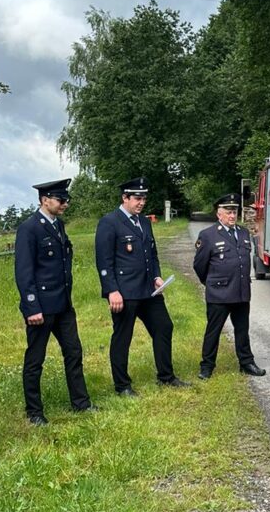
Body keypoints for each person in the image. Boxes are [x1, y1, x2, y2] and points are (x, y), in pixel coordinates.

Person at [95, 177, 189, 397]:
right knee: (122, 337)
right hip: (125, 292)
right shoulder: (110, 222)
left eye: (144, 198)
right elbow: (104, 261)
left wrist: (157, 276)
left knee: (164, 327)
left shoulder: (144, 222)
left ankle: (166, 376)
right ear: (125, 198)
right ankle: (122, 386)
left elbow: (152, 254)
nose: (141, 202)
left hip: (149, 290)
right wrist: (111, 290)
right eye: (137, 198)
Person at [15, 178, 94, 425]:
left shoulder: (58, 225)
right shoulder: (30, 228)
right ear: (44, 200)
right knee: (35, 359)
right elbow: (24, 271)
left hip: (62, 304)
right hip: (41, 307)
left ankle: (81, 403)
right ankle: (34, 412)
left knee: (73, 351)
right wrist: (31, 306)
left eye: (66, 199)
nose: (65, 204)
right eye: (61, 200)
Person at [194, 193, 266, 380]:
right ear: (219, 214)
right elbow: (200, 265)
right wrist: (210, 283)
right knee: (214, 331)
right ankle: (207, 366)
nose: (232, 216)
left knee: (242, 330)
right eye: (228, 212)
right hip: (219, 293)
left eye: (234, 212)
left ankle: (246, 363)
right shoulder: (208, 235)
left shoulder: (243, 233)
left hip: (241, 291)